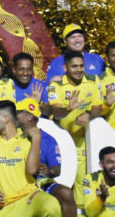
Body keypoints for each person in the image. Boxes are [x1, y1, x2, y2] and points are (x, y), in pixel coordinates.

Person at [0, 100, 61, 217]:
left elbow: (31, 170)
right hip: (5, 206)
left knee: (51, 204)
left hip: (28, 197)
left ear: (5, 119)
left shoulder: (27, 140)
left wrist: (36, 139)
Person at [48, 50, 104, 203]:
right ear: (65, 68)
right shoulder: (56, 85)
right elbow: (56, 113)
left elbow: (98, 109)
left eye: (81, 66)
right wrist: (68, 109)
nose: (79, 70)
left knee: (82, 182)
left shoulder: (93, 80)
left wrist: (88, 114)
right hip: (61, 144)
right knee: (62, 185)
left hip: (84, 142)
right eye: (74, 67)